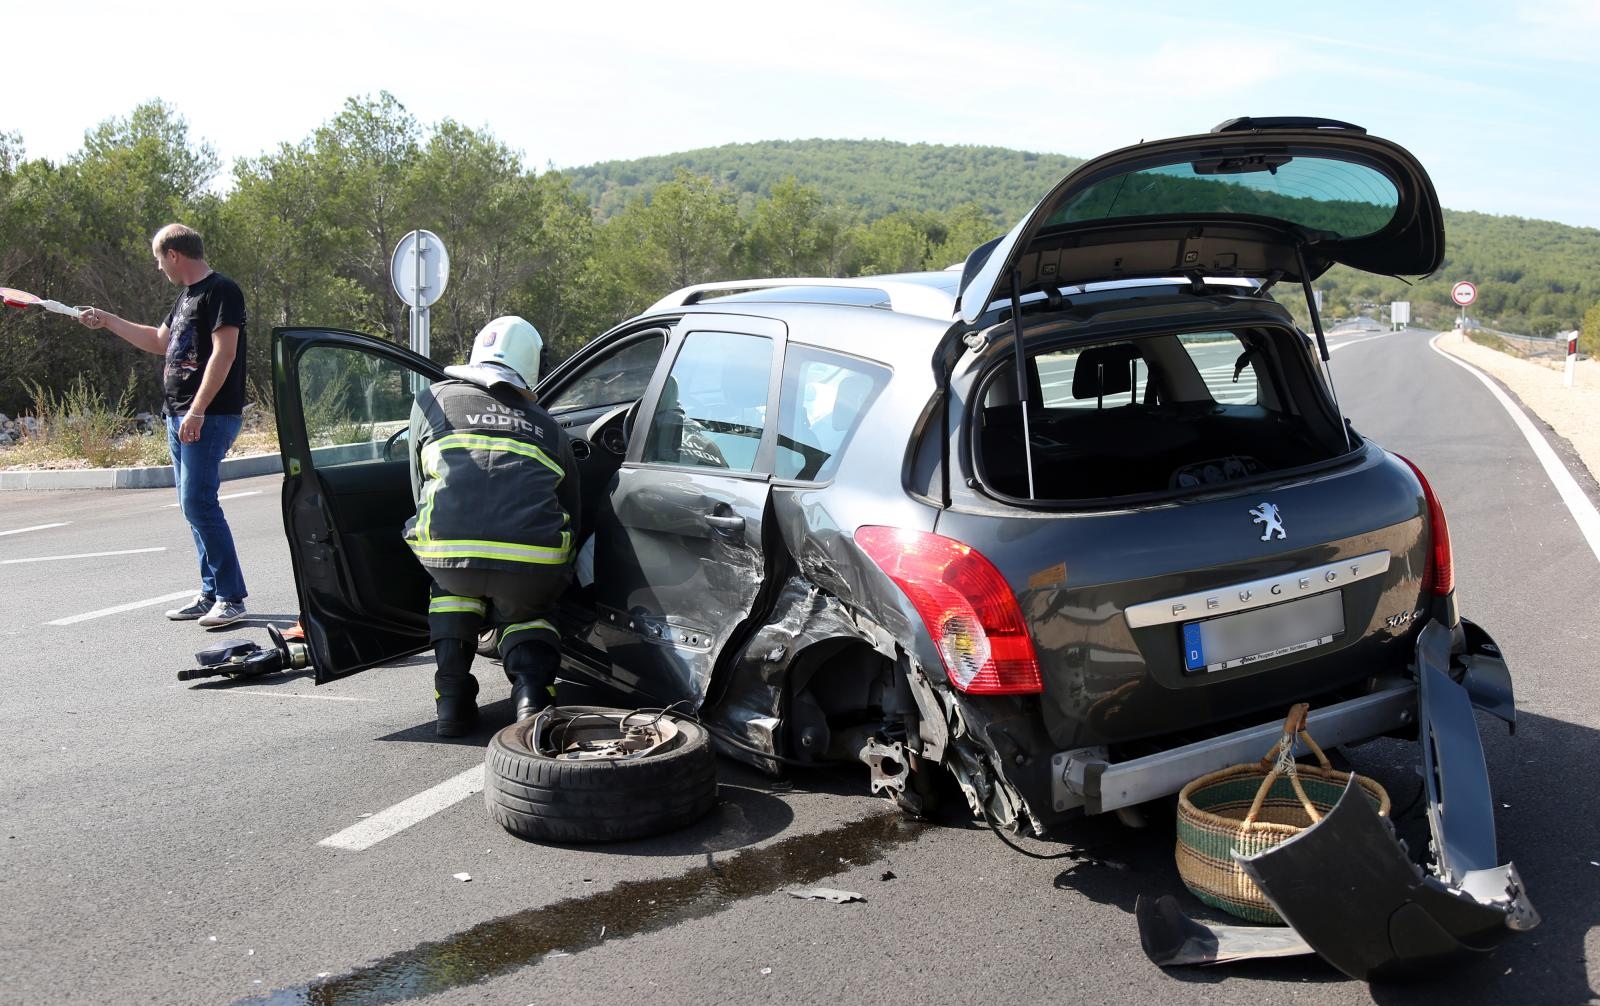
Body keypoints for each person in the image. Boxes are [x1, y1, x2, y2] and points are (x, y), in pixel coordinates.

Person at [405, 316, 579, 736]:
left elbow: (418, 485)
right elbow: (572, 506)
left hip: (448, 557)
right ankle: (532, 699)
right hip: (531, 561)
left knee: (450, 591)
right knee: (529, 609)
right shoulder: (549, 427)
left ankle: (451, 700)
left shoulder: (433, 400)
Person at [79, 223, 249, 627]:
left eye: (159, 259)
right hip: (178, 415)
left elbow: (224, 354)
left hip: (207, 415)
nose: (159, 268)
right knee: (193, 507)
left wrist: (198, 410)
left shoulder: (222, 290)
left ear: (174, 254)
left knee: (198, 503)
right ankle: (210, 593)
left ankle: (231, 597)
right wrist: (108, 320)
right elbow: (159, 341)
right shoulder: (185, 298)